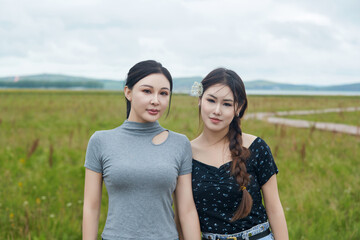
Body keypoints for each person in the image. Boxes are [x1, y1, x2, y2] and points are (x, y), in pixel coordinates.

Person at [82, 60, 201, 240]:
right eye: (147, 91)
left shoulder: (180, 143)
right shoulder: (100, 141)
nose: (156, 100)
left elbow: (187, 211)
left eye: (163, 93)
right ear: (128, 92)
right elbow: (91, 207)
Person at [190, 68, 288, 240]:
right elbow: (184, 214)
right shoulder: (185, 153)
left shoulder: (257, 148)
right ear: (200, 100)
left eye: (227, 104)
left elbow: (274, 208)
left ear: (238, 108)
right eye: (211, 100)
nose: (217, 110)